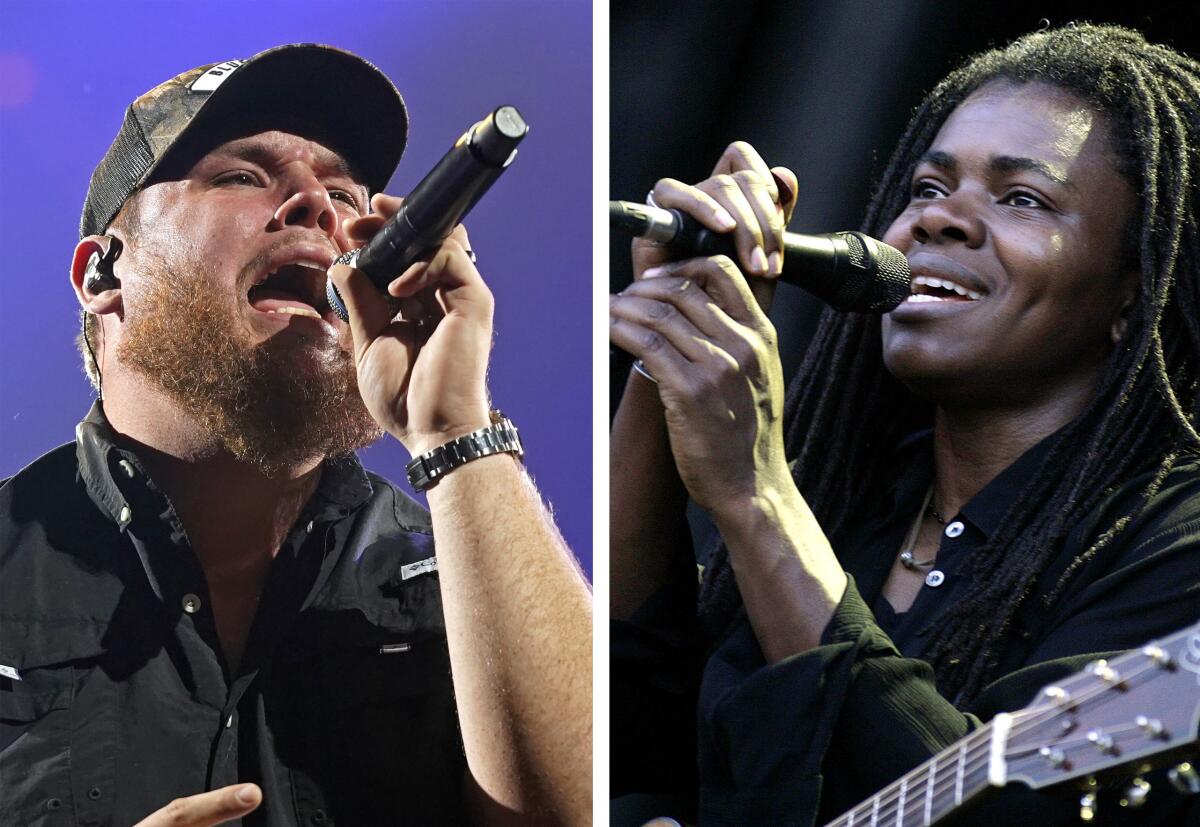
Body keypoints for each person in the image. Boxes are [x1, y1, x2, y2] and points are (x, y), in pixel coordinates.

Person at [610, 24, 1200, 826]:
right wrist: (668, 339)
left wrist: (757, 496)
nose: (939, 220)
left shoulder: (1171, 542)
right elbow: (612, 725)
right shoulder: (851, 500)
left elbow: (996, 817)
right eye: (927, 188)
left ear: (1138, 288)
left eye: (1021, 197)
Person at [0, 45, 591, 826]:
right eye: (243, 176)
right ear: (104, 274)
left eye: (347, 192)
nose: (321, 207)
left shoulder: (473, 573)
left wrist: (453, 426)